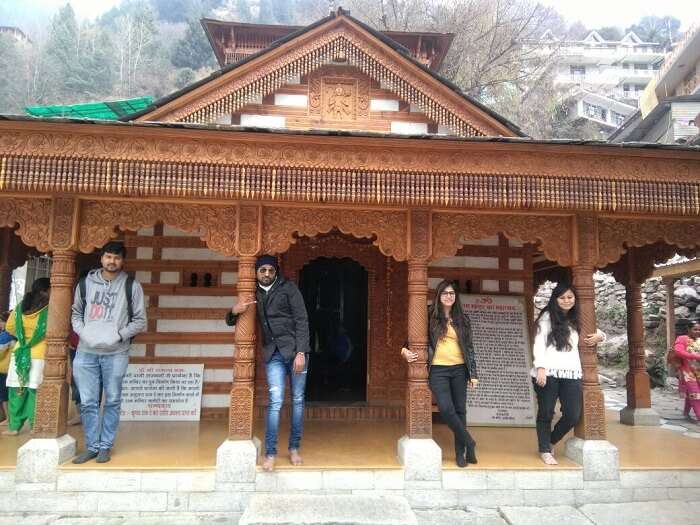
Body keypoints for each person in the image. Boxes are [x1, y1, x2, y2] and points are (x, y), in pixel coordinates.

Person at [225, 255, 310, 472]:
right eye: (262, 270)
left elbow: (302, 320)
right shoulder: (252, 293)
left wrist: (301, 352)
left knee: (298, 400)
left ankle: (293, 448)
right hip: (273, 354)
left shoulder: (288, 288)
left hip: (295, 352)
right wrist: (234, 311)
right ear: (256, 272)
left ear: (276, 271)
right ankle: (270, 453)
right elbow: (231, 319)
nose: (266, 274)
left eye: (270, 270)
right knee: (276, 401)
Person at [71, 242, 146, 463]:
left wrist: (119, 335)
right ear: (101, 259)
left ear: (123, 261)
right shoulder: (85, 284)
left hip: (116, 352)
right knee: (87, 401)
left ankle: (105, 445)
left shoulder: (131, 285)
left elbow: (140, 321)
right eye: (108, 257)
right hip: (86, 352)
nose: (112, 261)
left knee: (112, 400)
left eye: (116, 258)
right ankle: (92, 446)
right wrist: (85, 333)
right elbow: (75, 313)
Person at [401, 279, 479, 468]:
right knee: (446, 408)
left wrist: (473, 373)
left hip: (460, 369)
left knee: (461, 410)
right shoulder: (429, 314)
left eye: (452, 293)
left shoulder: (463, 318)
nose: (449, 296)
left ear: (456, 296)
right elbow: (412, 337)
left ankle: (461, 453)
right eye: (445, 293)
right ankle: (470, 441)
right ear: (439, 295)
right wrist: (404, 350)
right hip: (438, 369)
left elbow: (468, 348)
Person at [531, 283, 605, 465]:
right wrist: (540, 367)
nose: (566, 301)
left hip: (571, 372)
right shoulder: (547, 316)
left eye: (569, 297)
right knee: (546, 412)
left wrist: (601, 337)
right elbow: (539, 342)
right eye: (562, 298)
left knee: (573, 414)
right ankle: (545, 450)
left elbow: (596, 331)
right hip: (548, 371)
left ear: (575, 299)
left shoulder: (579, 317)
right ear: (555, 299)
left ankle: (550, 441)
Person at [2, 278, 51, 435]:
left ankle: (14, 427)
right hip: (40, 353)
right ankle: (34, 425)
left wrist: (23, 338)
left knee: (17, 390)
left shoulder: (19, 308)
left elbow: (9, 327)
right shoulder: (49, 309)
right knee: (34, 391)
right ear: (47, 290)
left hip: (20, 352)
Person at [672, 319, 700, 423]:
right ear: (688, 329)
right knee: (695, 393)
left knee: (692, 393)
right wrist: (695, 356)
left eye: (699, 330)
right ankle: (699, 416)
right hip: (687, 371)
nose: (697, 332)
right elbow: (678, 351)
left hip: (698, 371)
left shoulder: (699, 340)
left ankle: (686, 413)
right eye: (695, 329)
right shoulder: (682, 338)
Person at [0, 311, 16, 426]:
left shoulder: (5, 336)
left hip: (3, 370)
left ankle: (8, 418)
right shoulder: (15, 335)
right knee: (10, 394)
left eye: (2, 321)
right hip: (11, 369)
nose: (0, 324)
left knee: (4, 395)